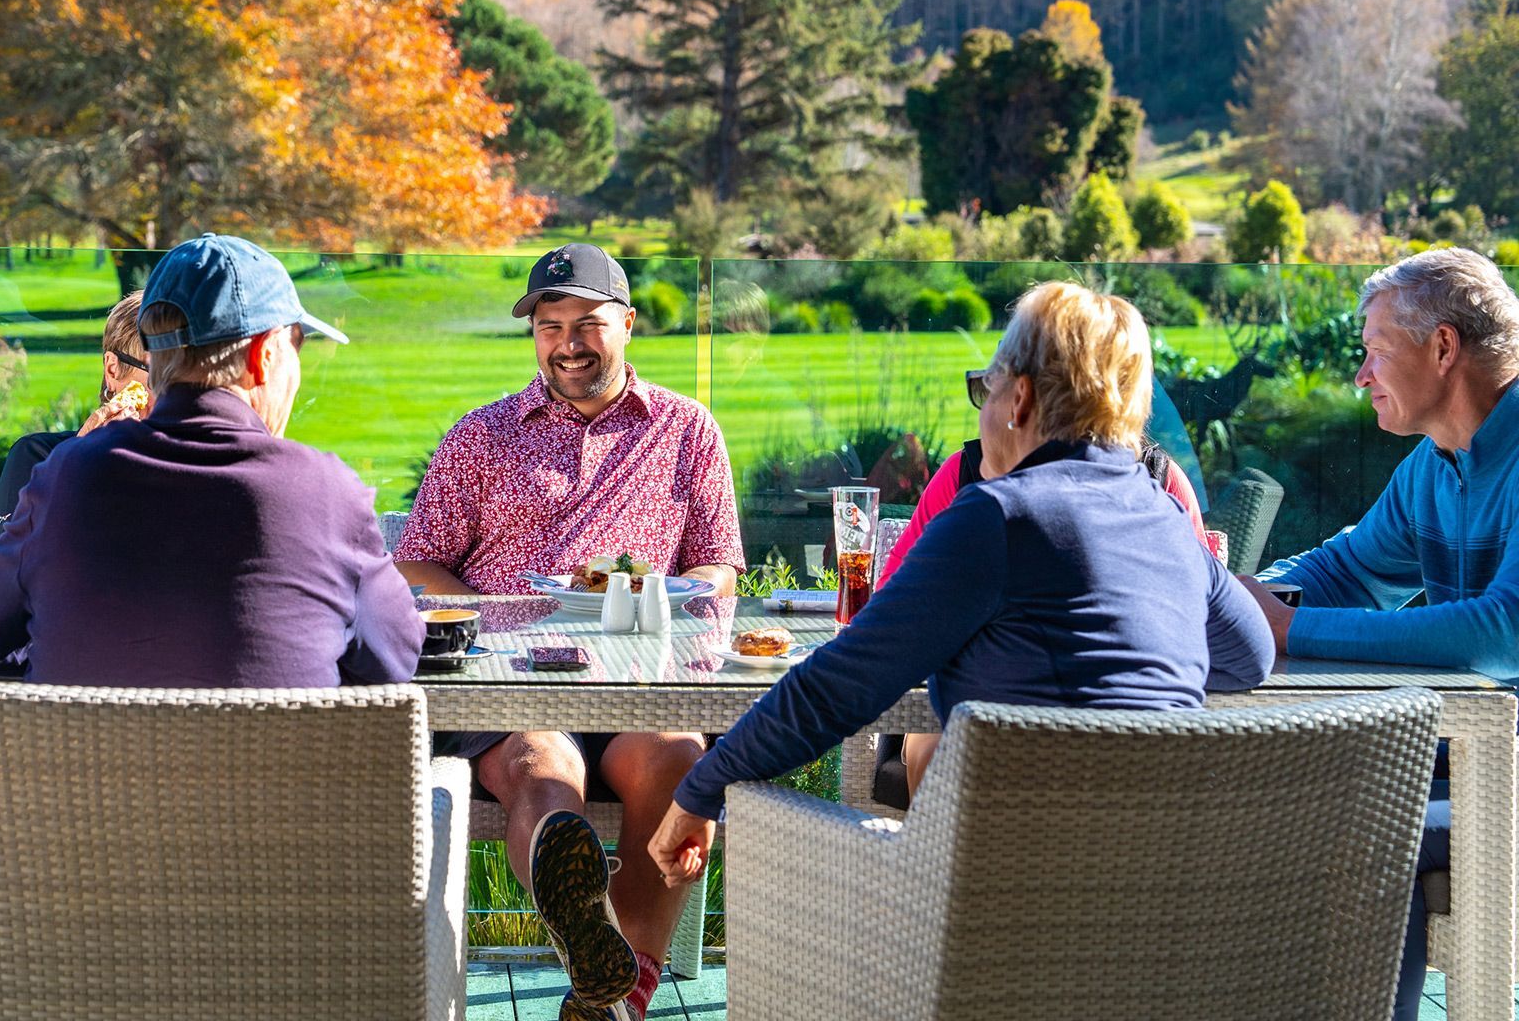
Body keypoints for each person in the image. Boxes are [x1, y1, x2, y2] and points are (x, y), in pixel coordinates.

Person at [646, 281, 1275, 894]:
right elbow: (1251, 655)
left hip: (1011, 893)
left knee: (768, 826)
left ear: (1020, 400)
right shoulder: (1161, 516)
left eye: (986, 388)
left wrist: (702, 789)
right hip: (1160, 890)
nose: (983, 406)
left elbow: (835, 688)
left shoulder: (996, 515)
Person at [395, 242, 745, 1021]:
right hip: (517, 684)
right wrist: (500, 627)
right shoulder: (482, 435)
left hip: (639, 678)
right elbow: (417, 564)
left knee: (680, 763)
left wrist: (676, 598)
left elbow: (721, 567)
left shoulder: (686, 431)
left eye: (586, 323)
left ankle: (618, 987)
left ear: (627, 323)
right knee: (542, 769)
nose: (568, 343)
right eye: (549, 326)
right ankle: (605, 967)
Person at [1236, 247, 1519, 1021]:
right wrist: (1236, 594)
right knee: (1259, 806)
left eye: (1374, 351)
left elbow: (1506, 633)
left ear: (1443, 348)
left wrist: (1292, 628)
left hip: (1506, 785)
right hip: (1469, 767)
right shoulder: (1436, 464)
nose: (1362, 375)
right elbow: (1346, 570)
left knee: (1357, 832)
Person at [0, 234, 424, 688]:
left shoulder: (66, 476)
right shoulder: (326, 492)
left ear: (155, 360)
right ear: (264, 355)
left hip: (95, 770)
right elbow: (397, 657)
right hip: (267, 772)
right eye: (296, 347)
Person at [877, 374, 1213, 797]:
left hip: (1100, 735)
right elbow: (890, 598)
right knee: (942, 740)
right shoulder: (965, 476)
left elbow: (1203, 618)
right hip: (983, 717)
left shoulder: (1160, 482)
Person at [0, 289, 149, 526]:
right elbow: (11, 558)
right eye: (161, 377)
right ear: (113, 370)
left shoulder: (201, 468)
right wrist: (76, 468)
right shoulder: (35, 458)